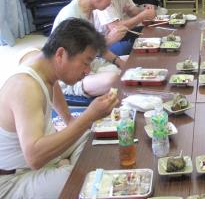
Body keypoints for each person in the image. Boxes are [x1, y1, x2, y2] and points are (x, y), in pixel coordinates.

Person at [0, 19, 119, 198]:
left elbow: (53, 86)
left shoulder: (41, 61)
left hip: (40, 156)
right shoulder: (25, 88)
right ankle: (63, 170)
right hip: (15, 178)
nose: (88, 71)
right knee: (86, 180)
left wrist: (70, 120)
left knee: (94, 138)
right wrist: (88, 116)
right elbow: (35, 157)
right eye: (85, 62)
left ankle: (62, 167)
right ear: (61, 54)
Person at [49, 0, 128, 97]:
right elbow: (73, 59)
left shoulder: (91, 11)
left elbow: (97, 49)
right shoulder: (71, 16)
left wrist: (118, 61)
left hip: (89, 64)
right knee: (112, 80)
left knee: (130, 60)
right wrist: (108, 40)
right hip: (70, 76)